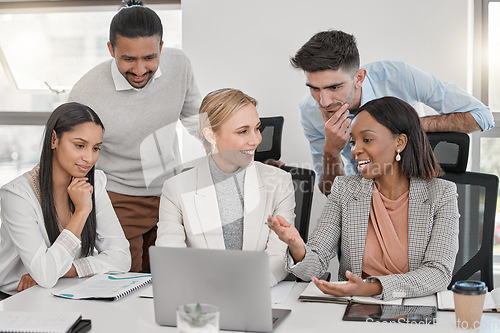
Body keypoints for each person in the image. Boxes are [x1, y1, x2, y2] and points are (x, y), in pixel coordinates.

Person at [268, 96, 459, 300]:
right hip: (356, 306)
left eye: (367, 139)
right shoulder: (345, 189)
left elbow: (439, 272)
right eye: (353, 141)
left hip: (415, 306)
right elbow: (313, 266)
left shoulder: (441, 194)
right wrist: (298, 246)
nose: (355, 150)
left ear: (400, 142)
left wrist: (373, 288)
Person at [68, 0, 201, 272]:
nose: (140, 70)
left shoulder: (180, 65)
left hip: (170, 192)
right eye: (128, 59)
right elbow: (72, 158)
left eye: (149, 57)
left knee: (172, 278)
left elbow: (198, 121)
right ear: (111, 50)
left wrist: (235, 159)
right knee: (130, 283)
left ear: (161, 48)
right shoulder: (86, 94)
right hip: (119, 197)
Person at [291, 30, 495, 195]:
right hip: (365, 200)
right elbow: (329, 190)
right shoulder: (310, 111)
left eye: (334, 87)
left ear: (359, 78)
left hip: (420, 189)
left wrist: (410, 124)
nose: (324, 101)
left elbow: (482, 116)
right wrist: (331, 151)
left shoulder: (400, 77)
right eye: (314, 88)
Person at [156, 88, 295, 286]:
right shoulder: (175, 189)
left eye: (257, 128)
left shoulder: (279, 182)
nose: (256, 140)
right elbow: (170, 258)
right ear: (211, 136)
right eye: (243, 131)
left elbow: (278, 256)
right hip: (201, 296)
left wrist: (245, 286)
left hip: (257, 292)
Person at [0, 102, 131, 297]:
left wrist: (63, 271)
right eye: (80, 145)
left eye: (96, 148)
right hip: (14, 297)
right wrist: (81, 212)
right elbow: (45, 275)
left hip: (67, 291)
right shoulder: (17, 195)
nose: (89, 158)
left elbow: (121, 258)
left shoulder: (96, 182)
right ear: (54, 139)